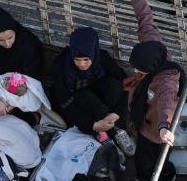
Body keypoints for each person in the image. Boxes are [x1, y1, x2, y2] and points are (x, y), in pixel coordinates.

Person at [120, 0, 182, 181]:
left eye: (141, 70)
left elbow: (167, 103)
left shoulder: (165, 81)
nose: (137, 72)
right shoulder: (154, 48)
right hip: (147, 118)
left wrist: (164, 127)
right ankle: (161, 174)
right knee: (151, 159)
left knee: (150, 161)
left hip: (154, 131)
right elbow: (145, 20)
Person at [48, 26, 135, 156]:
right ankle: (107, 138)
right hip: (76, 105)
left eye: (86, 59)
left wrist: (117, 114)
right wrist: (93, 125)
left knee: (113, 85)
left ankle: (119, 130)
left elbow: (126, 88)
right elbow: (65, 104)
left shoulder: (102, 58)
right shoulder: (62, 66)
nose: (82, 64)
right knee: (86, 98)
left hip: (98, 99)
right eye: (77, 60)